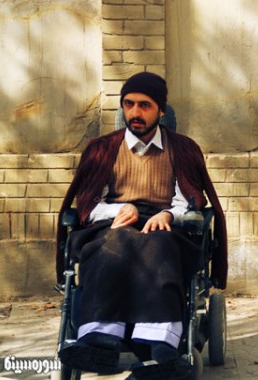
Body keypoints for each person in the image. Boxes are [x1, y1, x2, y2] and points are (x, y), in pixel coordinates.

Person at [55, 72, 228, 378]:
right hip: (114, 222)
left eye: (144, 105)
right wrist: (121, 209)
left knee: (160, 246)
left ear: (161, 111)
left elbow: (190, 200)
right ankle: (99, 336)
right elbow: (88, 206)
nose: (135, 112)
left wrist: (169, 215)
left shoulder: (182, 149)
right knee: (112, 245)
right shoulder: (102, 149)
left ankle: (158, 344)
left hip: (165, 224)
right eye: (129, 104)